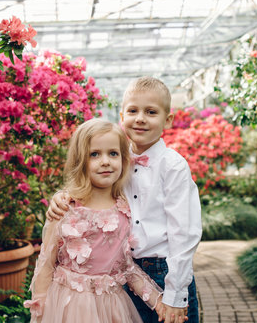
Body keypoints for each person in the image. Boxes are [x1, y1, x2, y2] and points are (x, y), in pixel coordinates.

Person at [48, 77, 202, 323]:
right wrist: (62, 197)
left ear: (168, 120)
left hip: (165, 272)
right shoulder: (115, 160)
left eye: (151, 112)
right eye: (133, 111)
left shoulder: (173, 166)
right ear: (122, 116)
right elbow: (90, 192)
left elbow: (184, 234)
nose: (140, 118)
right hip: (124, 274)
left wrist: (175, 295)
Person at [24, 118, 168, 323]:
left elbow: (127, 268)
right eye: (94, 154)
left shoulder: (126, 210)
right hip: (67, 308)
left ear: (123, 159)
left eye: (113, 153)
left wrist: (158, 301)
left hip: (111, 309)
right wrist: (39, 311)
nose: (105, 161)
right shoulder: (66, 208)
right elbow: (46, 265)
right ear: (80, 161)